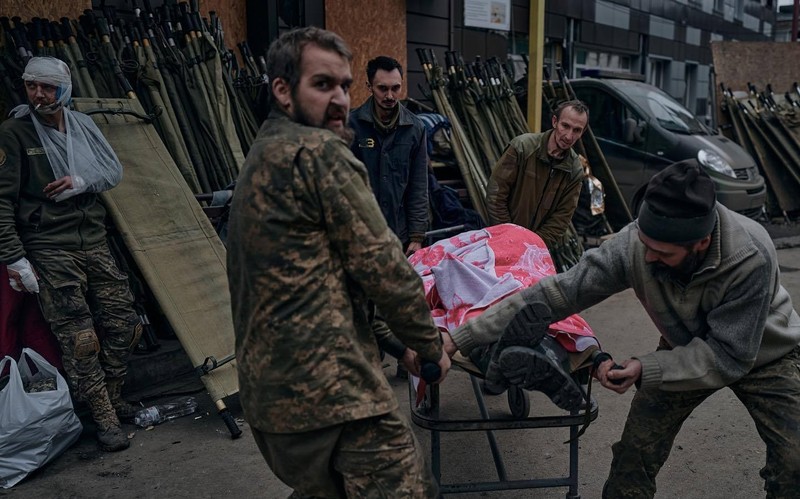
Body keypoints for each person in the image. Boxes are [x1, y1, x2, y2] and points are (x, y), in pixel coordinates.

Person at [440, 159, 800, 497]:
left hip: (765, 355)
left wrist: (647, 368)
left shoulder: (751, 255)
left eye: (661, 253)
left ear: (700, 243)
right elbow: (556, 294)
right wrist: (458, 338)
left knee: (794, 462)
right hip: (684, 344)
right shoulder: (635, 244)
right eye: (645, 244)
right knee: (633, 457)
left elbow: (728, 356)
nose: (647, 258)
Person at [226, 27, 450, 499]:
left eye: (345, 86)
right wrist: (429, 348)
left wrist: (395, 347)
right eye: (323, 85)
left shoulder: (264, 153)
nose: (340, 100)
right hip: (333, 396)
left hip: (274, 399)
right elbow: (388, 274)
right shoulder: (320, 153)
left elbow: (322, 289)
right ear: (283, 91)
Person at [0, 57, 141, 452]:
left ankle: (110, 392)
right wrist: (15, 257)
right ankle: (103, 416)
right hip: (48, 246)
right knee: (79, 336)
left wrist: (82, 180)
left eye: (47, 87)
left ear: (64, 89)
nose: (39, 95)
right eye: (32, 86)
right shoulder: (14, 133)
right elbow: (1, 201)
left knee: (125, 324)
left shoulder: (82, 126)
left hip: (92, 240)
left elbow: (110, 171)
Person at [350, 56, 429, 256]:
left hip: (399, 234)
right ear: (369, 86)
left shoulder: (415, 128)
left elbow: (418, 184)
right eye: (382, 88)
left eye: (396, 88)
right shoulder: (351, 126)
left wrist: (417, 236)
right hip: (360, 233)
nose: (390, 95)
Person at [485, 100, 589, 249]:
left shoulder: (574, 170)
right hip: (500, 238)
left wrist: (534, 245)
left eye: (576, 130)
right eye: (565, 126)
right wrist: (507, 235)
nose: (568, 136)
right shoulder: (522, 148)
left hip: (535, 248)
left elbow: (562, 218)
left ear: (582, 132)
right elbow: (496, 194)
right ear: (554, 122)